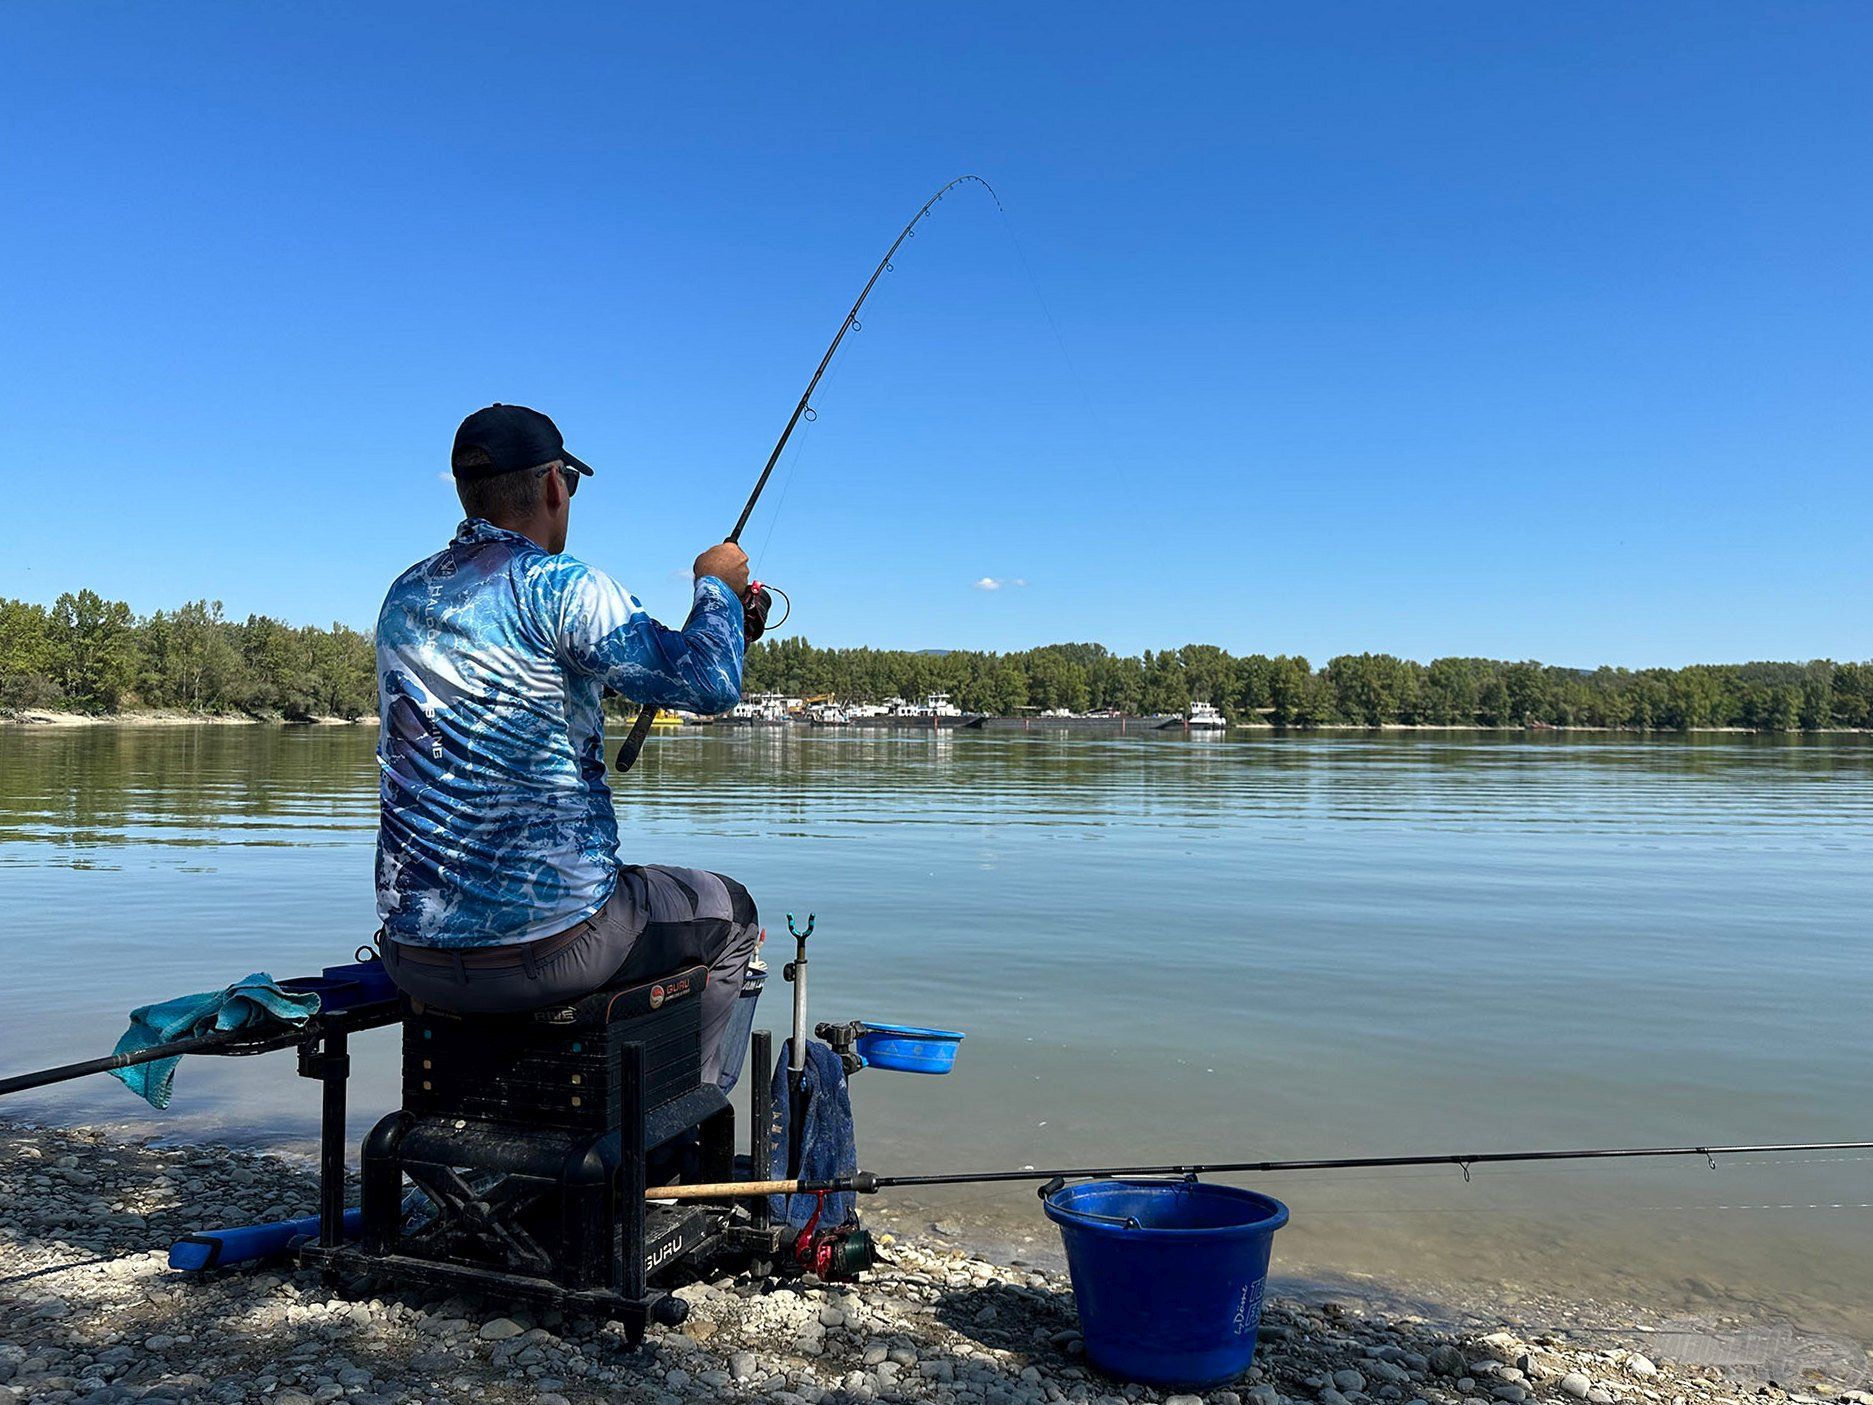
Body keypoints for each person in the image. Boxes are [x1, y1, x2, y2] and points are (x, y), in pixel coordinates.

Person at [374, 403, 759, 1091]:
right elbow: (710, 684)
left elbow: (534, 690)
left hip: (411, 951)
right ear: (556, 484)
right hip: (555, 950)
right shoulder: (564, 586)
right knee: (732, 913)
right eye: (569, 486)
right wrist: (716, 589)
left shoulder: (406, 596)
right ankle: (680, 1120)